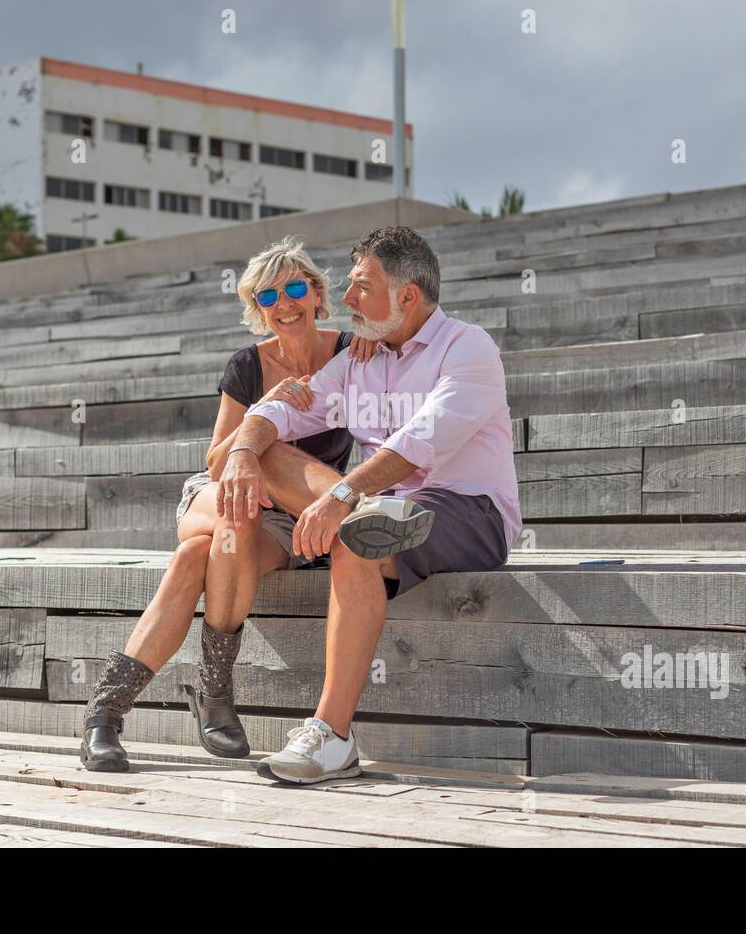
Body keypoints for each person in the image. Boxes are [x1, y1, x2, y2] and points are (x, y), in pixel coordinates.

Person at [218, 225, 522, 784]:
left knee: (362, 532)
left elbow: (419, 443)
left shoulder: (468, 346)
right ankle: (364, 521)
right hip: (383, 509)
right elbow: (285, 410)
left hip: (469, 511)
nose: (348, 300)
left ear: (407, 295)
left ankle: (331, 736)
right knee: (274, 456)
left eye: (361, 286)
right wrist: (240, 450)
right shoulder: (360, 360)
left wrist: (339, 497)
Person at [78, 235, 376, 771]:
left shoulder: (348, 354)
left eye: (293, 288)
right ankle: (211, 695)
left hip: (288, 519)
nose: (283, 304)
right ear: (257, 308)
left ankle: (107, 714)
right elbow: (217, 460)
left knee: (198, 557)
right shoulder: (248, 366)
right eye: (267, 297)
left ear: (315, 293)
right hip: (220, 494)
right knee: (237, 507)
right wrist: (263, 410)